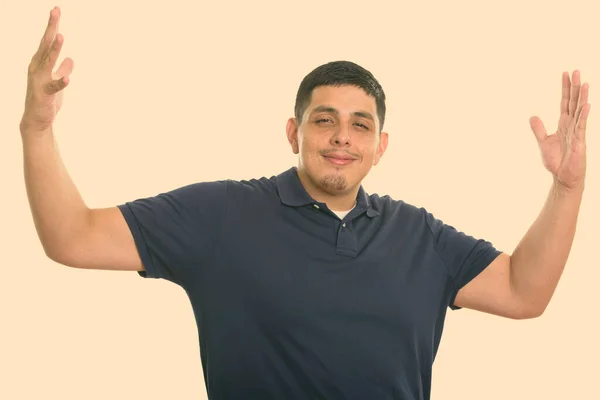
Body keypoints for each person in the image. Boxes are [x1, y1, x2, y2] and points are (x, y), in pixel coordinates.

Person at [20, 6, 590, 400]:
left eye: (359, 125)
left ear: (379, 147)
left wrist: (566, 188)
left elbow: (524, 292)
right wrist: (37, 130)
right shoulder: (218, 216)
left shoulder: (421, 237)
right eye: (325, 120)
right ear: (293, 131)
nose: (342, 137)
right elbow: (73, 237)